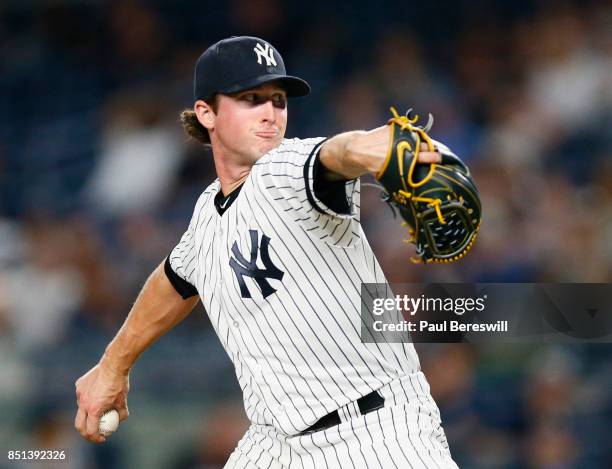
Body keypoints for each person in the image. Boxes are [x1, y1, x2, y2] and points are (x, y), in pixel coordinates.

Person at [75, 36, 459, 468]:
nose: (270, 113)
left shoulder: (287, 170)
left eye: (278, 100)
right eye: (249, 99)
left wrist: (384, 146)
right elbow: (173, 280)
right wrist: (112, 365)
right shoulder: (206, 214)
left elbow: (340, 151)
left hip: (376, 433)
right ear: (207, 113)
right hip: (275, 443)